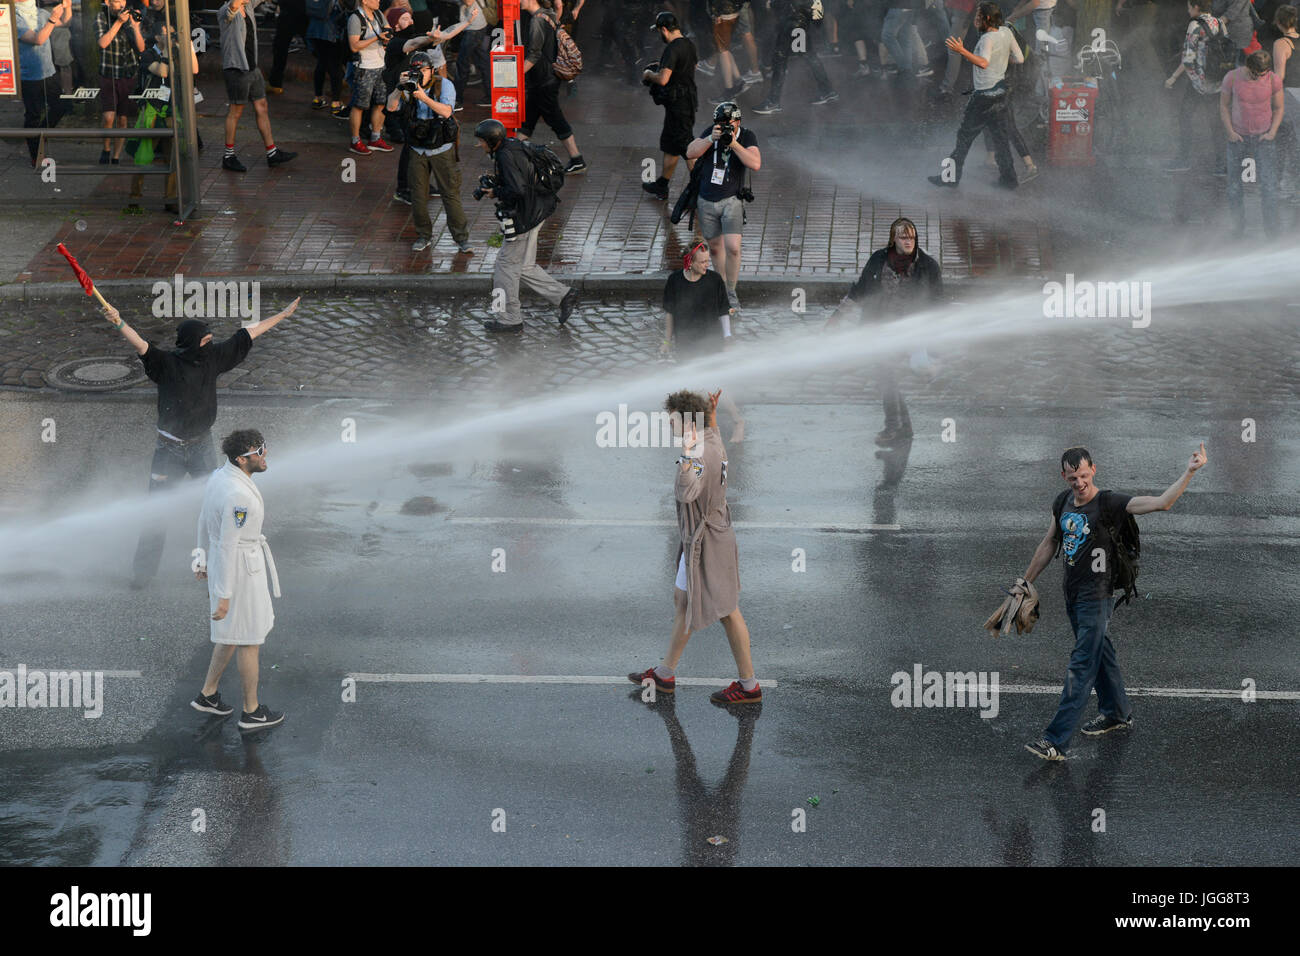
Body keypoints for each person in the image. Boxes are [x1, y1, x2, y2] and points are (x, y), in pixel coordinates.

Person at [1018, 444, 1208, 760]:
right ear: (1063, 476)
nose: (1078, 483)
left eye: (1082, 475)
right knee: (1100, 653)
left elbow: (1163, 503)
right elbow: (1050, 542)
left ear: (1093, 469)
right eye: (1071, 478)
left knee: (1081, 667)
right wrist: (1024, 583)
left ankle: (1055, 741)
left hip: (1097, 599)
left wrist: (1189, 471)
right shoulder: (1063, 502)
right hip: (1073, 596)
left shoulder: (1110, 503)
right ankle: (1117, 713)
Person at [94, 296, 300, 587]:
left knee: (216, 507)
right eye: (205, 340)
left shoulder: (212, 357)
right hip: (168, 450)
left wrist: (282, 313)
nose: (210, 344)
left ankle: (216, 567)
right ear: (192, 343)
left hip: (201, 446)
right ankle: (143, 572)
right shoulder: (165, 364)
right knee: (157, 511)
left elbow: (249, 333)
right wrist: (118, 322)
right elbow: (140, 344)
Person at [628, 389, 761, 707]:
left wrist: (687, 458)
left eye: (671, 418)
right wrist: (712, 415)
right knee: (684, 601)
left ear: (687, 423)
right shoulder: (711, 438)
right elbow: (713, 432)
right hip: (709, 536)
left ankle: (749, 686)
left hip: (708, 543)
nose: (667, 423)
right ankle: (664, 675)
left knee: (728, 612)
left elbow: (688, 492)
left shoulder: (699, 453)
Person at [192, 428, 285, 731]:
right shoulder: (238, 496)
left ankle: (207, 695)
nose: (265, 453)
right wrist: (225, 595)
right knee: (249, 640)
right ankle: (252, 711)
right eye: (260, 450)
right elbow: (231, 545)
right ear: (243, 459)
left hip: (228, 564)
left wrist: (200, 556)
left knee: (231, 633)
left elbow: (203, 518)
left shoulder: (220, 475)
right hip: (241, 571)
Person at [824, 217, 942, 446]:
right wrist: (837, 316)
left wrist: (934, 345)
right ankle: (898, 426)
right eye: (903, 236)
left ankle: (898, 426)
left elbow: (938, 305)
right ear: (893, 239)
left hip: (913, 330)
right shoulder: (879, 260)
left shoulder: (928, 266)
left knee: (899, 372)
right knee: (886, 374)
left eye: (912, 237)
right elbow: (860, 290)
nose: (909, 241)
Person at [473, 118, 579, 332]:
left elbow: (518, 190)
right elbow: (521, 179)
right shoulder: (512, 145)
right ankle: (563, 295)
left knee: (505, 266)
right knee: (524, 266)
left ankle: (509, 319)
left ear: (492, 141)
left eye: (481, 141)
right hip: (537, 210)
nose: (479, 145)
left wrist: (495, 191)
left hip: (525, 217)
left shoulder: (504, 156)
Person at [927, 1, 1020, 189]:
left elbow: (983, 63)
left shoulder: (987, 39)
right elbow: (1019, 58)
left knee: (964, 137)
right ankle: (1009, 179)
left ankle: (951, 177)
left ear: (987, 18)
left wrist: (962, 51)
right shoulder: (1006, 32)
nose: (975, 19)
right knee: (1000, 138)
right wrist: (1001, 60)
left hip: (984, 96)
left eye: (978, 16)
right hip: (1000, 92)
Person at [388, 50, 473, 253]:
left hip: (441, 148)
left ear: (431, 70)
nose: (419, 74)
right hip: (417, 149)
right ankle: (423, 236)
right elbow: (391, 108)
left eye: (423, 70)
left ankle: (462, 239)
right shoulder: (408, 86)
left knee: (450, 194)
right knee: (418, 196)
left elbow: (446, 111)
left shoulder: (444, 85)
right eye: (415, 70)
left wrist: (423, 98)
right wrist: (398, 87)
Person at [661, 242, 746, 442]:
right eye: (702, 262)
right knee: (689, 386)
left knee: (714, 384)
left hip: (710, 342)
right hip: (685, 343)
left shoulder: (714, 280)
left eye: (708, 261)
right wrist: (666, 342)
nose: (706, 265)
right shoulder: (674, 281)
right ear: (689, 261)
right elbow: (669, 313)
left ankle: (737, 422)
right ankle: (697, 429)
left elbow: (723, 311)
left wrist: (727, 338)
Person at [684, 101, 760, 313]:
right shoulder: (712, 132)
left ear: (738, 121)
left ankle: (731, 291)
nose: (726, 127)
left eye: (730, 123)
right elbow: (690, 152)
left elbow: (755, 163)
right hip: (707, 199)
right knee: (716, 247)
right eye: (722, 124)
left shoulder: (747, 136)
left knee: (733, 247)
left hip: (732, 200)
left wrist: (734, 143)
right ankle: (723, 291)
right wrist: (710, 138)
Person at [219, 0, 298, 171]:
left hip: (251, 68)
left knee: (262, 106)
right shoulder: (225, 10)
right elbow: (232, 7)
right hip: (236, 68)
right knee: (236, 111)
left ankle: (272, 153)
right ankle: (228, 155)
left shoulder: (248, 7)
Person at [519, 0, 588, 173]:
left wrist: (515, 74)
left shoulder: (536, 21)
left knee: (555, 118)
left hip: (544, 80)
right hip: (546, 78)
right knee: (529, 118)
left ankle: (577, 158)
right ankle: (510, 153)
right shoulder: (547, 13)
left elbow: (534, 55)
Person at [1221, 49, 1284, 235]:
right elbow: (1223, 106)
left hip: (1263, 138)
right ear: (1248, 66)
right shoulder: (1232, 78)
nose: (1259, 77)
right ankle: (1237, 229)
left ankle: (1272, 232)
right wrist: (1230, 131)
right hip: (1238, 138)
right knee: (1234, 187)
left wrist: (1272, 132)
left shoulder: (1273, 80)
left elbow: (1279, 108)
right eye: (1256, 74)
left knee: (1269, 186)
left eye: (1263, 73)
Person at [1165, 0, 1227, 174]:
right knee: (1216, 122)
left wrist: (1174, 78)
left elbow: (1188, 58)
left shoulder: (1194, 25)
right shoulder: (1219, 22)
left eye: (1189, 6)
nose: (1187, 9)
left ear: (1196, 7)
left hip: (1199, 82)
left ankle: (1183, 159)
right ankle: (1221, 164)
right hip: (1218, 80)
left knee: (1185, 118)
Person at [642, 10, 699, 201]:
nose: (660, 35)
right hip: (686, 101)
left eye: (659, 31)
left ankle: (700, 186)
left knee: (686, 146)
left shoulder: (672, 48)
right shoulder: (689, 45)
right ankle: (662, 185)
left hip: (679, 105)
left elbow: (664, 79)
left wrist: (649, 75)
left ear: (664, 30)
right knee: (671, 144)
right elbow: (692, 67)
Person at [752, 0, 840, 112]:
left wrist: (773, 3)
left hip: (793, 20)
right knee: (808, 55)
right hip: (799, 20)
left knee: (780, 58)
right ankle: (828, 91)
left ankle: (773, 101)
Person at [14, 0, 70, 167]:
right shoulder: (13, 16)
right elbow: (38, 39)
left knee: (61, 106)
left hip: (48, 72)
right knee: (33, 115)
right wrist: (52, 19)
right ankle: (35, 156)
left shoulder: (40, 12)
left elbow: (65, 23)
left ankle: (39, 136)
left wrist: (67, 8)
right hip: (29, 75)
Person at [96, 0, 145, 165]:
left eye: (123, 1)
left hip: (128, 74)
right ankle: (106, 148)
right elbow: (103, 43)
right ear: (108, 2)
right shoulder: (102, 17)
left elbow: (141, 48)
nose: (121, 5)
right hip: (109, 73)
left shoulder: (130, 17)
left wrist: (136, 27)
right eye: (117, 1)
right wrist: (118, 22)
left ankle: (116, 156)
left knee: (122, 119)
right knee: (109, 116)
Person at [347, 0, 396, 154]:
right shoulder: (355, 18)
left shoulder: (379, 14)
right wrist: (377, 37)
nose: (379, 1)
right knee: (360, 105)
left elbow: (388, 32)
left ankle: (375, 137)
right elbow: (354, 46)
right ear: (365, 1)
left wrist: (388, 36)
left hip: (381, 65)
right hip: (364, 68)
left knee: (381, 102)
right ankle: (355, 141)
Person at [307, 0, 349, 115]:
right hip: (331, 33)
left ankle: (318, 98)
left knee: (321, 64)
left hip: (314, 31)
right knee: (335, 67)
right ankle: (336, 103)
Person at [267, 0, 310, 93]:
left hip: (287, 14)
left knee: (280, 49)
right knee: (316, 48)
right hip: (304, 13)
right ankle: (338, 75)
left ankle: (275, 83)